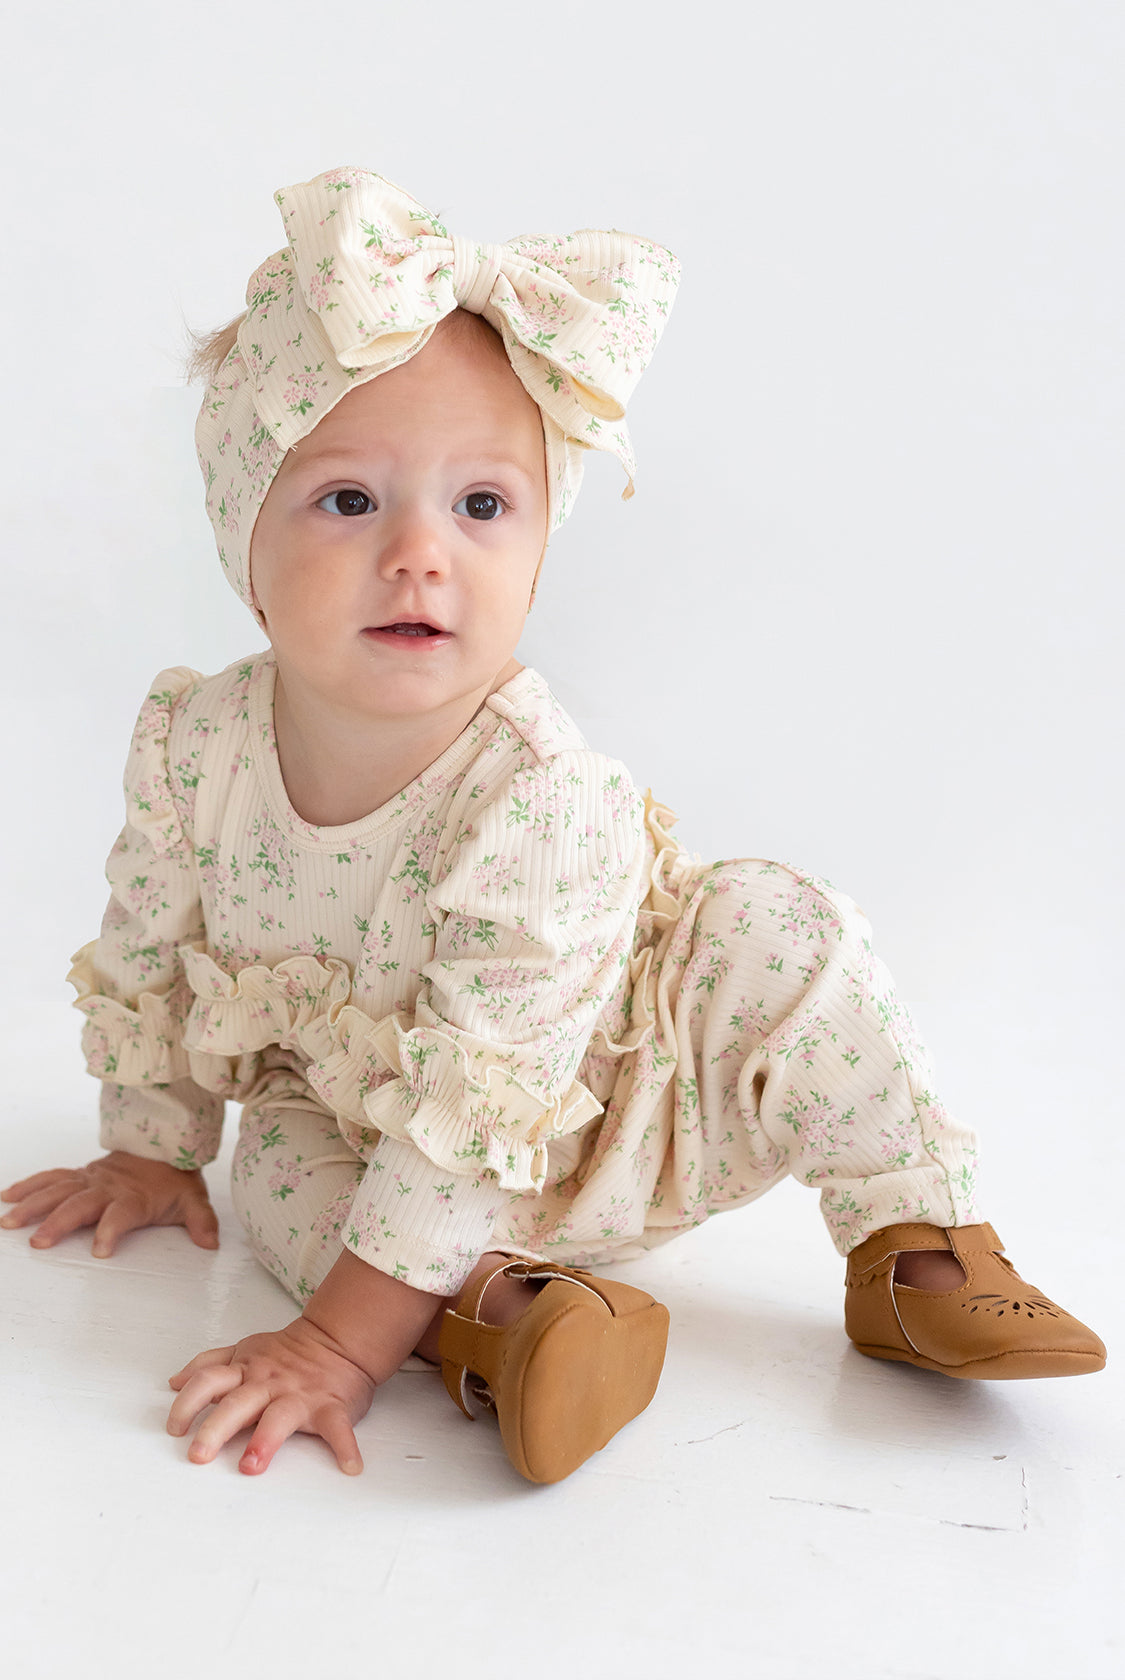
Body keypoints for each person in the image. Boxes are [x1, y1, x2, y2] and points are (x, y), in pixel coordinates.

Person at [1, 166, 1105, 1487]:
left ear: (536, 547)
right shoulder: (197, 745)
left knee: (779, 929)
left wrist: (332, 1351)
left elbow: (496, 1064)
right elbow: (152, 943)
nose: (421, 555)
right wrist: (149, 1146)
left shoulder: (540, 797)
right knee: (282, 1178)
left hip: (629, 1095)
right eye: (349, 501)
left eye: (481, 506)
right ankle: (517, 1322)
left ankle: (913, 1244)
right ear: (245, 540)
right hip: (378, 1125)